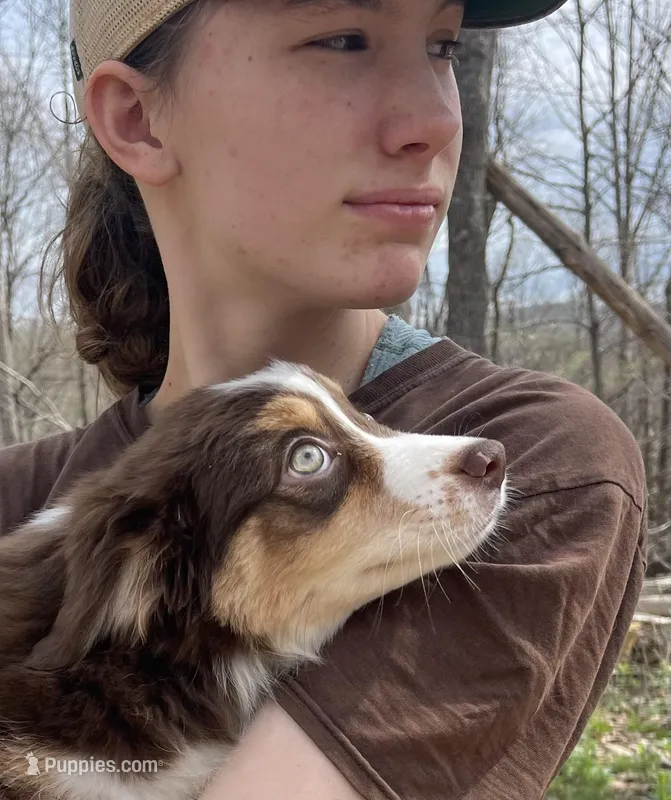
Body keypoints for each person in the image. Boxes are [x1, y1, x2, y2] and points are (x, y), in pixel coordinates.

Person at [0, 0, 647, 796]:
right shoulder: (16, 501)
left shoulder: (537, 459)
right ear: (136, 118)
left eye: (441, 45)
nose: (435, 122)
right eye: (343, 39)